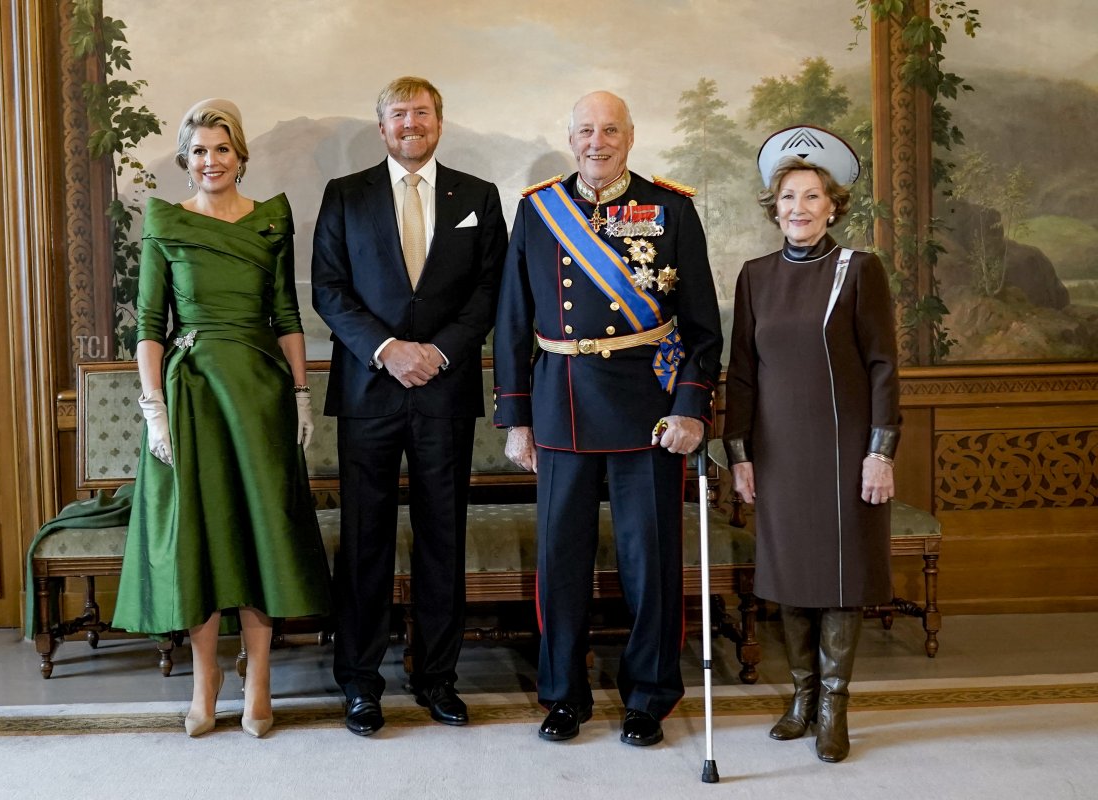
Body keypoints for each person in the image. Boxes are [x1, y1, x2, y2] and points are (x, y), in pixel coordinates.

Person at [493, 91, 723, 747]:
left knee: (649, 562)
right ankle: (563, 695)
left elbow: (702, 327)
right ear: (570, 138)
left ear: (630, 136)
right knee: (561, 565)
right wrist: (516, 418)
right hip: (560, 403)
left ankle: (648, 696)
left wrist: (690, 407)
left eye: (611, 130)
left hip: (646, 407)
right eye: (587, 131)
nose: (598, 142)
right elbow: (512, 318)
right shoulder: (539, 210)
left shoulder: (671, 207)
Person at [112, 98, 332, 739]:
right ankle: (204, 676)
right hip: (194, 396)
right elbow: (150, 325)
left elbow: (287, 313)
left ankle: (259, 675)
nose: (212, 161)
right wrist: (153, 410)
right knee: (202, 537)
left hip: (261, 395)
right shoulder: (165, 222)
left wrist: (300, 395)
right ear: (187, 158)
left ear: (240, 155)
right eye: (201, 150)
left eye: (223, 149)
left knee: (264, 533)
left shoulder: (270, 221)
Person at [311, 76, 507, 736]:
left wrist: (440, 352)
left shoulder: (478, 198)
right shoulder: (345, 196)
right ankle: (361, 683)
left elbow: (489, 293)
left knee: (441, 540)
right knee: (365, 540)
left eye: (422, 113)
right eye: (399, 115)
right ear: (382, 127)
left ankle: (437, 678)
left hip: (444, 391)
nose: (411, 124)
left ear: (440, 122)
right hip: (369, 392)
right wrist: (389, 349)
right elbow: (331, 292)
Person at [722, 125, 901, 763]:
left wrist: (881, 451)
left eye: (811, 197)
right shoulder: (754, 276)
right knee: (790, 575)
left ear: (833, 206)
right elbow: (740, 373)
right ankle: (800, 697)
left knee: (841, 575)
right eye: (787, 197)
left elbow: (883, 365)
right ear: (775, 208)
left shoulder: (859, 269)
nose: (798, 208)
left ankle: (833, 708)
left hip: (846, 450)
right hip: (778, 452)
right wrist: (738, 456)